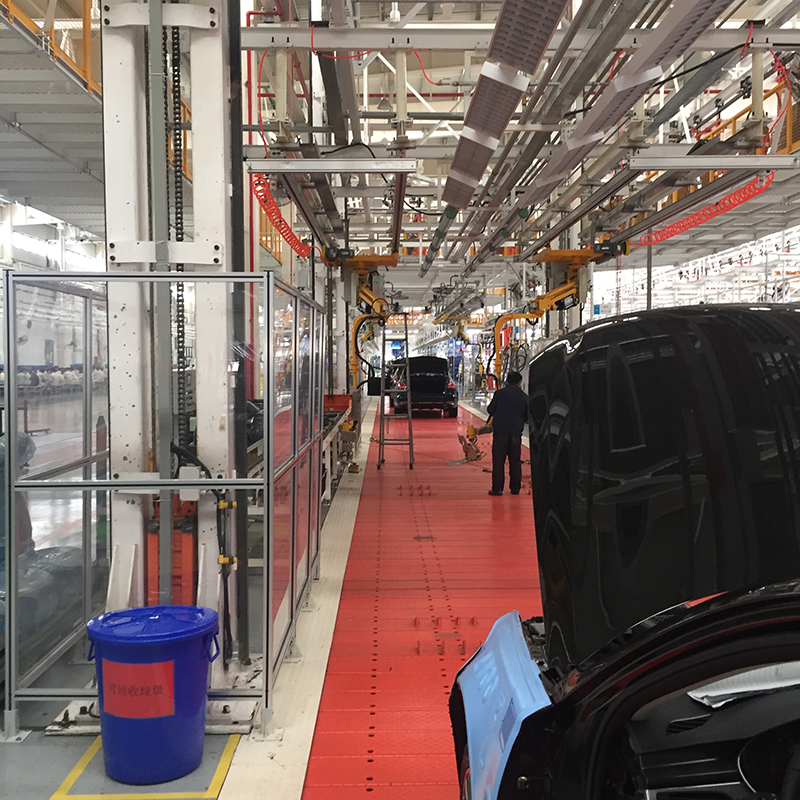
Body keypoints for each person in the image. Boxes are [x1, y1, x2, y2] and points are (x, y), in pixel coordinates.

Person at [486, 370, 528, 496]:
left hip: (500, 432)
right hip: (516, 432)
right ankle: (515, 488)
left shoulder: (499, 394)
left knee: (499, 461)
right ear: (520, 382)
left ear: (507, 381)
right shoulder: (524, 397)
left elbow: (490, 410)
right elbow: (527, 416)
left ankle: (497, 488)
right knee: (515, 461)